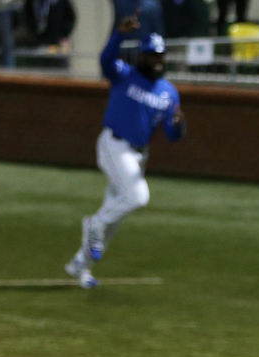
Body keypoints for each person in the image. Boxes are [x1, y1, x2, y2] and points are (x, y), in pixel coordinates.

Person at [64, 15, 184, 289]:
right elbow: (105, 60)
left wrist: (179, 126)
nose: (157, 60)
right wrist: (118, 35)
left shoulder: (169, 92)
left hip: (139, 155)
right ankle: (92, 224)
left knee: (114, 216)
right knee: (138, 196)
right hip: (113, 145)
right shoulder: (123, 74)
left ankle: (80, 266)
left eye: (161, 56)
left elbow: (171, 134)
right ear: (140, 56)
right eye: (152, 55)